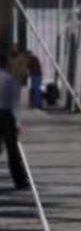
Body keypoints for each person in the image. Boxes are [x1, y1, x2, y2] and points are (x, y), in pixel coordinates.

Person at [0, 53, 28, 189]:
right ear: (6, 64)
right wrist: (18, 121)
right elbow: (15, 103)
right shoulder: (10, 80)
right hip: (6, 115)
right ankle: (20, 180)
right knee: (13, 150)